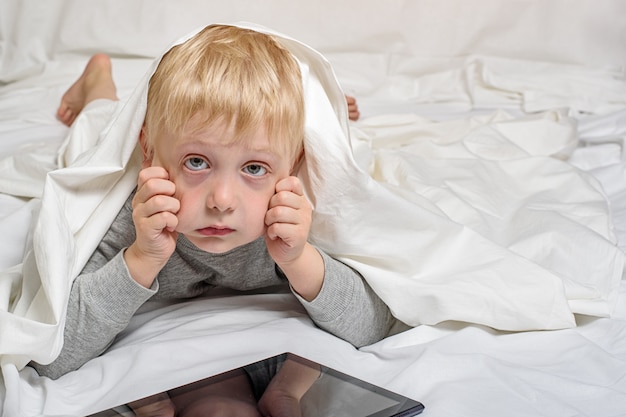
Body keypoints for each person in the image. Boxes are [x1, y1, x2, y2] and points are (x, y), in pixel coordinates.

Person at [30, 24, 393, 414]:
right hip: (119, 136)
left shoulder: (287, 218)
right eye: (197, 162)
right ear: (149, 152)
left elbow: (372, 327)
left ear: (293, 166)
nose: (222, 201)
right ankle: (98, 80)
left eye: (254, 168)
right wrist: (141, 259)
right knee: (95, 125)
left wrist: (299, 259)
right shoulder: (135, 220)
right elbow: (52, 355)